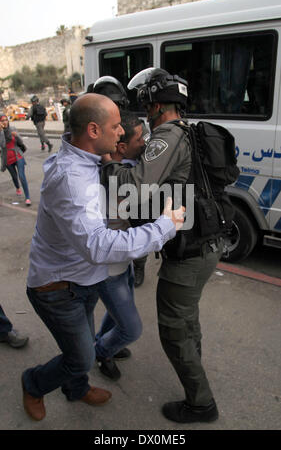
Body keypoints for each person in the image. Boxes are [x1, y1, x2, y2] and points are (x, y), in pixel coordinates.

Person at [21, 92, 185, 422]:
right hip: (57, 289)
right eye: (115, 126)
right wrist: (164, 226)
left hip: (84, 280)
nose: (122, 132)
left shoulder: (86, 159)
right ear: (94, 130)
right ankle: (34, 383)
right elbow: (98, 245)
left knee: (81, 349)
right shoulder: (73, 179)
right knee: (80, 357)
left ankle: (76, 389)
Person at [101, 68, 224, 424]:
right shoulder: (190, 128)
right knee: (187, 319)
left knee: (172, 327)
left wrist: (109, 162)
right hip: (207, 240)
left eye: (145, 103)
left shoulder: (166, 136)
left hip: (190, 249)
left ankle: (201, 403)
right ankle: (195, 368)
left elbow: (136, 187)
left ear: (155, 104)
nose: (144, 110)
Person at [95, 110, 146, 380]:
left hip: (122, 262)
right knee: (131, 328)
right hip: (108, 267)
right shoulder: (106, 177)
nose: (146, 143)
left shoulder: (125, 173)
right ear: (122, 146)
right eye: (141, 138)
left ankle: (106, 342)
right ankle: (101, 351)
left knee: (117, 316)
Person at [91, 76, 148, 286]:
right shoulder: (91, 122)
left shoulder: (133, 123)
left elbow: (144, 150)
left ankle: (139, 263)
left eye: (114, 105)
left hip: (126, 179)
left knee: (134, 224)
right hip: (102, 181)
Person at [0, 115, 31, 206]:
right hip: (7, 158)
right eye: (2, 121)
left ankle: (28, 197)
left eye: (6, 120)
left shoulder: (13, 128)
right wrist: (2, 131)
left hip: (17, 155)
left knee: (22, 176)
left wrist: (16, 136)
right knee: (14, 176)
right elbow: (2, 145)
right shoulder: (0, 132)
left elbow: (21, 142)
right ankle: (17, 187)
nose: (5, 122)